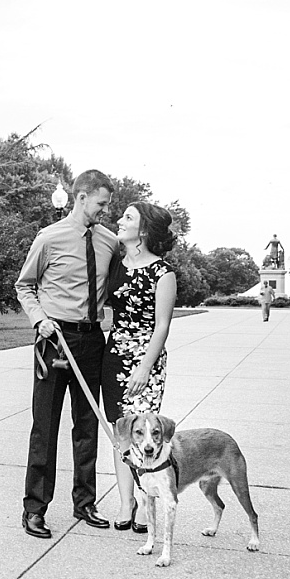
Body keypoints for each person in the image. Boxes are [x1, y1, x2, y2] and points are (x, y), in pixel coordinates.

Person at [14, 169, 118, 538]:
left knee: (87, 427)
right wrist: (39, 320)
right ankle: (34, 509)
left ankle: (85, 503)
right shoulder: (49, 237)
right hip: (53, 339)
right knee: (45, 426)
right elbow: (24, 285)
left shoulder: (109, 242)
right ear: (81, 197)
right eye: (102, 203)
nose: (105, 210)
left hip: (91, 342)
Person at [100, 202, 178, 533]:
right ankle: (125, 502)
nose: (120, 220)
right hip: (114, 355)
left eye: (128, 218)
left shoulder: (164, 272)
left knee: (146, 435)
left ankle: (147, 505)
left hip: (147, 360)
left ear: (143, 231)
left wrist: (145, 367)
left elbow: (162, 325)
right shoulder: (116, 265)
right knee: (122, 435)